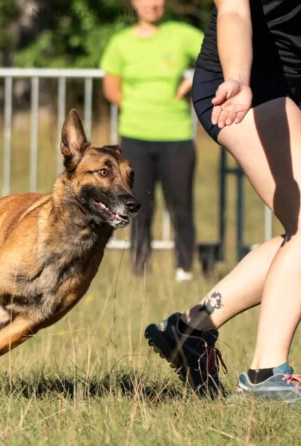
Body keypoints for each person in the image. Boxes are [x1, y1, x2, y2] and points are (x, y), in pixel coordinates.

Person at [144, 0, 301, 402]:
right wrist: (239, 79)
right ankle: (265, 373)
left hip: (294, 83)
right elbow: (233, 13)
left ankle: (189, 331)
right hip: (238, 85)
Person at [99, 0, 204, 283]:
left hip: (177, 135)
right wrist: (137, 109)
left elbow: (219, 53)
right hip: (135, 136)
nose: (153, 3)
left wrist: (194, 79)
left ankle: (185, 269)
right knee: (138, 204)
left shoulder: (182, 34)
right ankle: (140, 268)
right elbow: (111, 87)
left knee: (181, 204)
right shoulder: (120, 42)